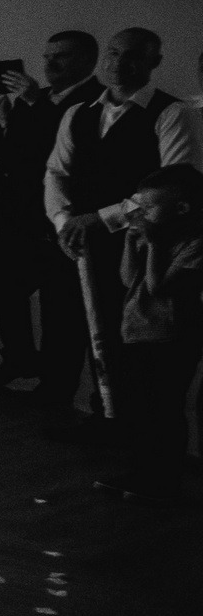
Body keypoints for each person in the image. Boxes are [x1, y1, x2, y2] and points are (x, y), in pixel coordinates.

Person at [46, 28, 198, 422]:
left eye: (132, 55)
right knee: (65, 325)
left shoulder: (172, 113)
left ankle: (120, 421)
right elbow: (56, 173)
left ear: (154, 62)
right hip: (74, 240)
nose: (119, 63)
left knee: (123, 334)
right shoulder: (77, 113)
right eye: (113, 53)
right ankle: (63, 411)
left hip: (137, 242)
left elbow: (176, 186)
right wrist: (64, 221)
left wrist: (99, 219)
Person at [0, 31, 102, 403]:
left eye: (61, 56)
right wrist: (4, 119)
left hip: (58, 218)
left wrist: (33, 103)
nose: (49, 63)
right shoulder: (37, 98)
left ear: (88, 60)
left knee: (60, 305)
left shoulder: (96, 100)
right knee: (0, 287)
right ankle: (20, 358)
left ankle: (56, 385)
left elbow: (66, 150)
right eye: (47, 56)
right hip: (16, 214)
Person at [100, 164, 203, 499]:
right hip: (139, 332)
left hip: (173, 339)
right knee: (141, 407)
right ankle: (142, 472)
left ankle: (164, 480)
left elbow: (159, 288)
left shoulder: (194, 244)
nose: (141, 214)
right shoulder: (157, 236)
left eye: (150, 207)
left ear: (181, 207)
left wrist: (155, 245)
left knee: (165, 409)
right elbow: (129, 279)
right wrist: (131, 243)